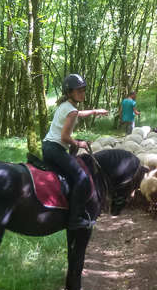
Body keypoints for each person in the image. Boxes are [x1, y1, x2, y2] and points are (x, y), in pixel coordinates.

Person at [42, 74, 108, 229]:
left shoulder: (66, 105)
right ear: (70, 92)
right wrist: (79, 143)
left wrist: (94, 111)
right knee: (82, 178)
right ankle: (75, 218)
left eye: (84, 90)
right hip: (56, 148)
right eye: (79, 91)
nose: (82, 93)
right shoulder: (71, 111)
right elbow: (65, 137)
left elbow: (78, 114)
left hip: (47, 146)